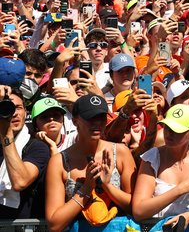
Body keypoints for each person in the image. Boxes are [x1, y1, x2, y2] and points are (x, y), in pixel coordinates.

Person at [45, 94, 136, 232]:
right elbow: (54, 224)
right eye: (90, 118)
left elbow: (136, 207)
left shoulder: (121, 152)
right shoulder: (59, 162)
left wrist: (106, 185)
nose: (97, 123)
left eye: (101, 118)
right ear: (75, 121)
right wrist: (86, 188)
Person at [132, 104, 189, 230]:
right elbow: (139, 211)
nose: (169, 133)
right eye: (167, 127)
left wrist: (187, 217)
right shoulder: (151, 158)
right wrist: (181, 189)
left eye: (177, 130)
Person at [0, 85, 50, 219]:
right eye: (7, 108)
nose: (14, 113)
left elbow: (20, 182)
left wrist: (6, 134)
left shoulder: (37, 147)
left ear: (26, 112)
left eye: (18, 108)